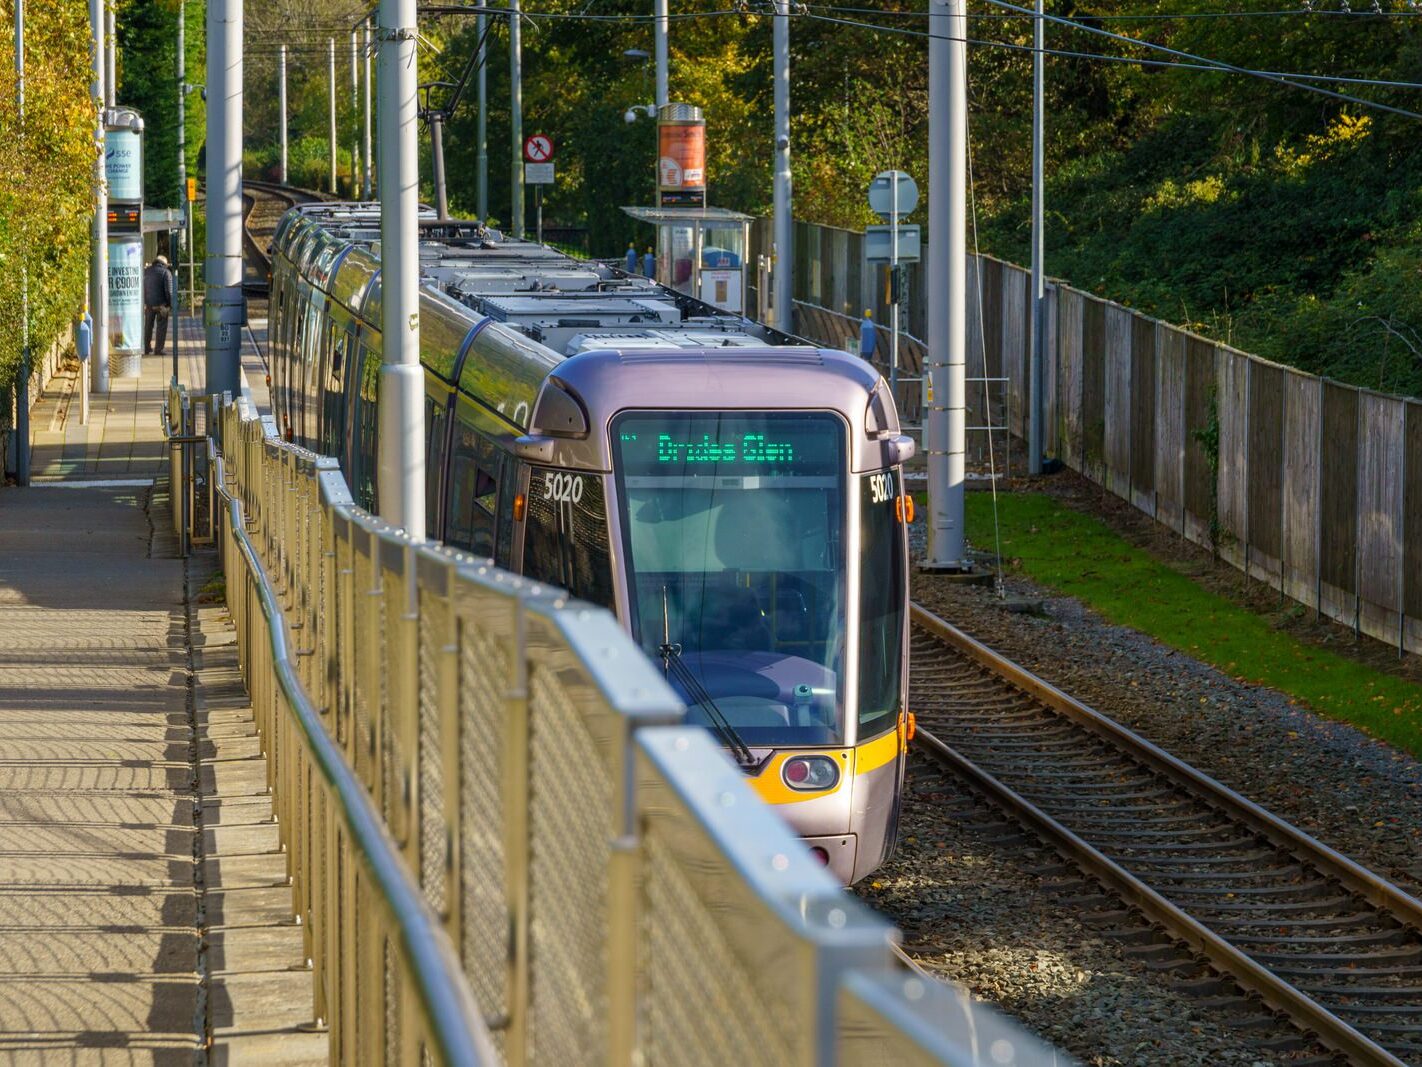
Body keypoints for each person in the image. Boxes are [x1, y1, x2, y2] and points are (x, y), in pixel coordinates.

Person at [143, 254, 175, 356]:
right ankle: (159, 349)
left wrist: (145, 302)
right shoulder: (166, 272)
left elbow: (143, 288)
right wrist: (171, 304)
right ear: (164, 263)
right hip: (162, 305)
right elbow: (169, 291)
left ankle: (146, 347)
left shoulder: (146, 271)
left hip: (149, 304)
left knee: (148, 326)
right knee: (161, 327)